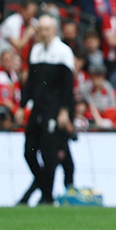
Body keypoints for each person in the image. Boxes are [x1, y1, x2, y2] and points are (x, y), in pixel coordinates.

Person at [19, 14, 75, 205]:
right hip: (38, 107)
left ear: (54, 30)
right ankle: (44, 186)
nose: (43, 33)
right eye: (40, 29)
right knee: (29, 151)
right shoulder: (35, 50)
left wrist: (65, 110)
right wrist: (21, 105)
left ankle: (47, 195)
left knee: (49, 152)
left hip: (54, 107)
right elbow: (31, 83)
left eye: (46, 29)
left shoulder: (63, 51)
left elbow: (68, 84)